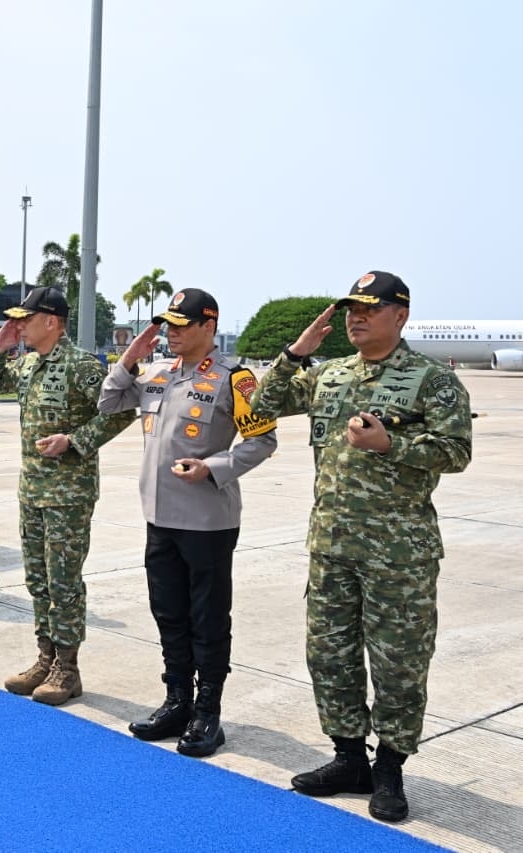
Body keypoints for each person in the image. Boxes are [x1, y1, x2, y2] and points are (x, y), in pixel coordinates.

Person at [250, 271, 472, 822]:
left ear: (401, 315)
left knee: (399, 662)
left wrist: (390, 442)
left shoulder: (430, 380)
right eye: (352, 309)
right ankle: (349, 758)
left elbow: (456, 451)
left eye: (370, 309)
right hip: (331, 545)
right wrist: (298, 351)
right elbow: (265, 401)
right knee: (330, 656)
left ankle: (390, 768)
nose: (356, 317)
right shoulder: (330, 375)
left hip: (399, 553)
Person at [98, 288, 277, 757]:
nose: (172, 333)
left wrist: (214, 468)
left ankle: (207, 712)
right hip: (159, 517)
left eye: (182, 325)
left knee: (208, 619)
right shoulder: (157, 373)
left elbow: (261, 440)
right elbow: (109, 403)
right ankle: (177, 699)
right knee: (169, 613)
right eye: (168, 325)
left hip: (207, 520)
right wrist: (129, 357)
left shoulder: (234, 380)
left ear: (207, 326)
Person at [0, 286, 136, 706]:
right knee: (37, 580)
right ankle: (45, 659)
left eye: (25, 320)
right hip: (31, 489)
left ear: (52, 321)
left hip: (68, 494)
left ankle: (68, 668)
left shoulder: (81, 366)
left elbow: (120, 412)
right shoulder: (29, 364)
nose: (19, 326)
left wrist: (75, 440)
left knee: (64, 582)